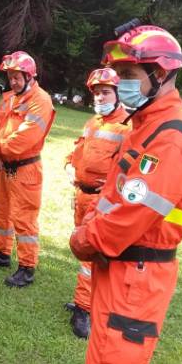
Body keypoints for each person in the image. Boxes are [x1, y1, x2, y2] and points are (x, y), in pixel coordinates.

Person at [70, 23, 182, 364]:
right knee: (100, 352)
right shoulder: (143, 126)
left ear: (159, 72)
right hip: (119, 267)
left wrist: (86, 239)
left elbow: (136, 212)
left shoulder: (174, 136)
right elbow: (112, 195)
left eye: (128, 73)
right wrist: (88, 225)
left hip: (137, 276)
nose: (121, 83)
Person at [64, 68, 131, 338]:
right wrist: (69, 165)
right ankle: (87, 301)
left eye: (105, 92)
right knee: (82, 249)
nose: (100, 97)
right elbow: (77, 151)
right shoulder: (93, 123)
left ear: (117, 93)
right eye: (96, 92)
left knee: (91, 255)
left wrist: (116, 186)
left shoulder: (128, 126)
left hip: (102, 203)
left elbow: (133, 167)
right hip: (81, 195)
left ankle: (83, 308)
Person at [0, 51, 55, 288]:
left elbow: (27, 136)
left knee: (24, 220)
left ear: (30, 76)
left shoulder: (40, 100)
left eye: (17, 77)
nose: (12, 81)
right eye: (10, 76)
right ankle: (1, 254)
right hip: (4, 166)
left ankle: (26, 267)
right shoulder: (10, 98)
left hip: (25, 168)